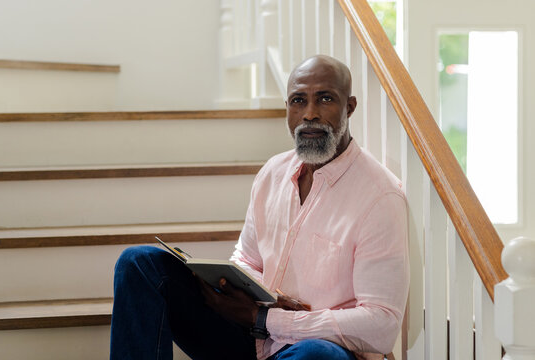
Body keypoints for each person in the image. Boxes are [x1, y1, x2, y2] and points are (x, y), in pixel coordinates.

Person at [110, 55, 409, 360]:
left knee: (317, 355)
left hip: (312, 349)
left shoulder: (380, 196)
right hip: (248, 338)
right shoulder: (273, 173)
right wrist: (246, 292)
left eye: (325, 99)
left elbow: (381, 324)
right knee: (138, 264)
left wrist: (266, 319)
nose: (309, 114)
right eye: (298, 101)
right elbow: (247, 258)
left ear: (350, 106)